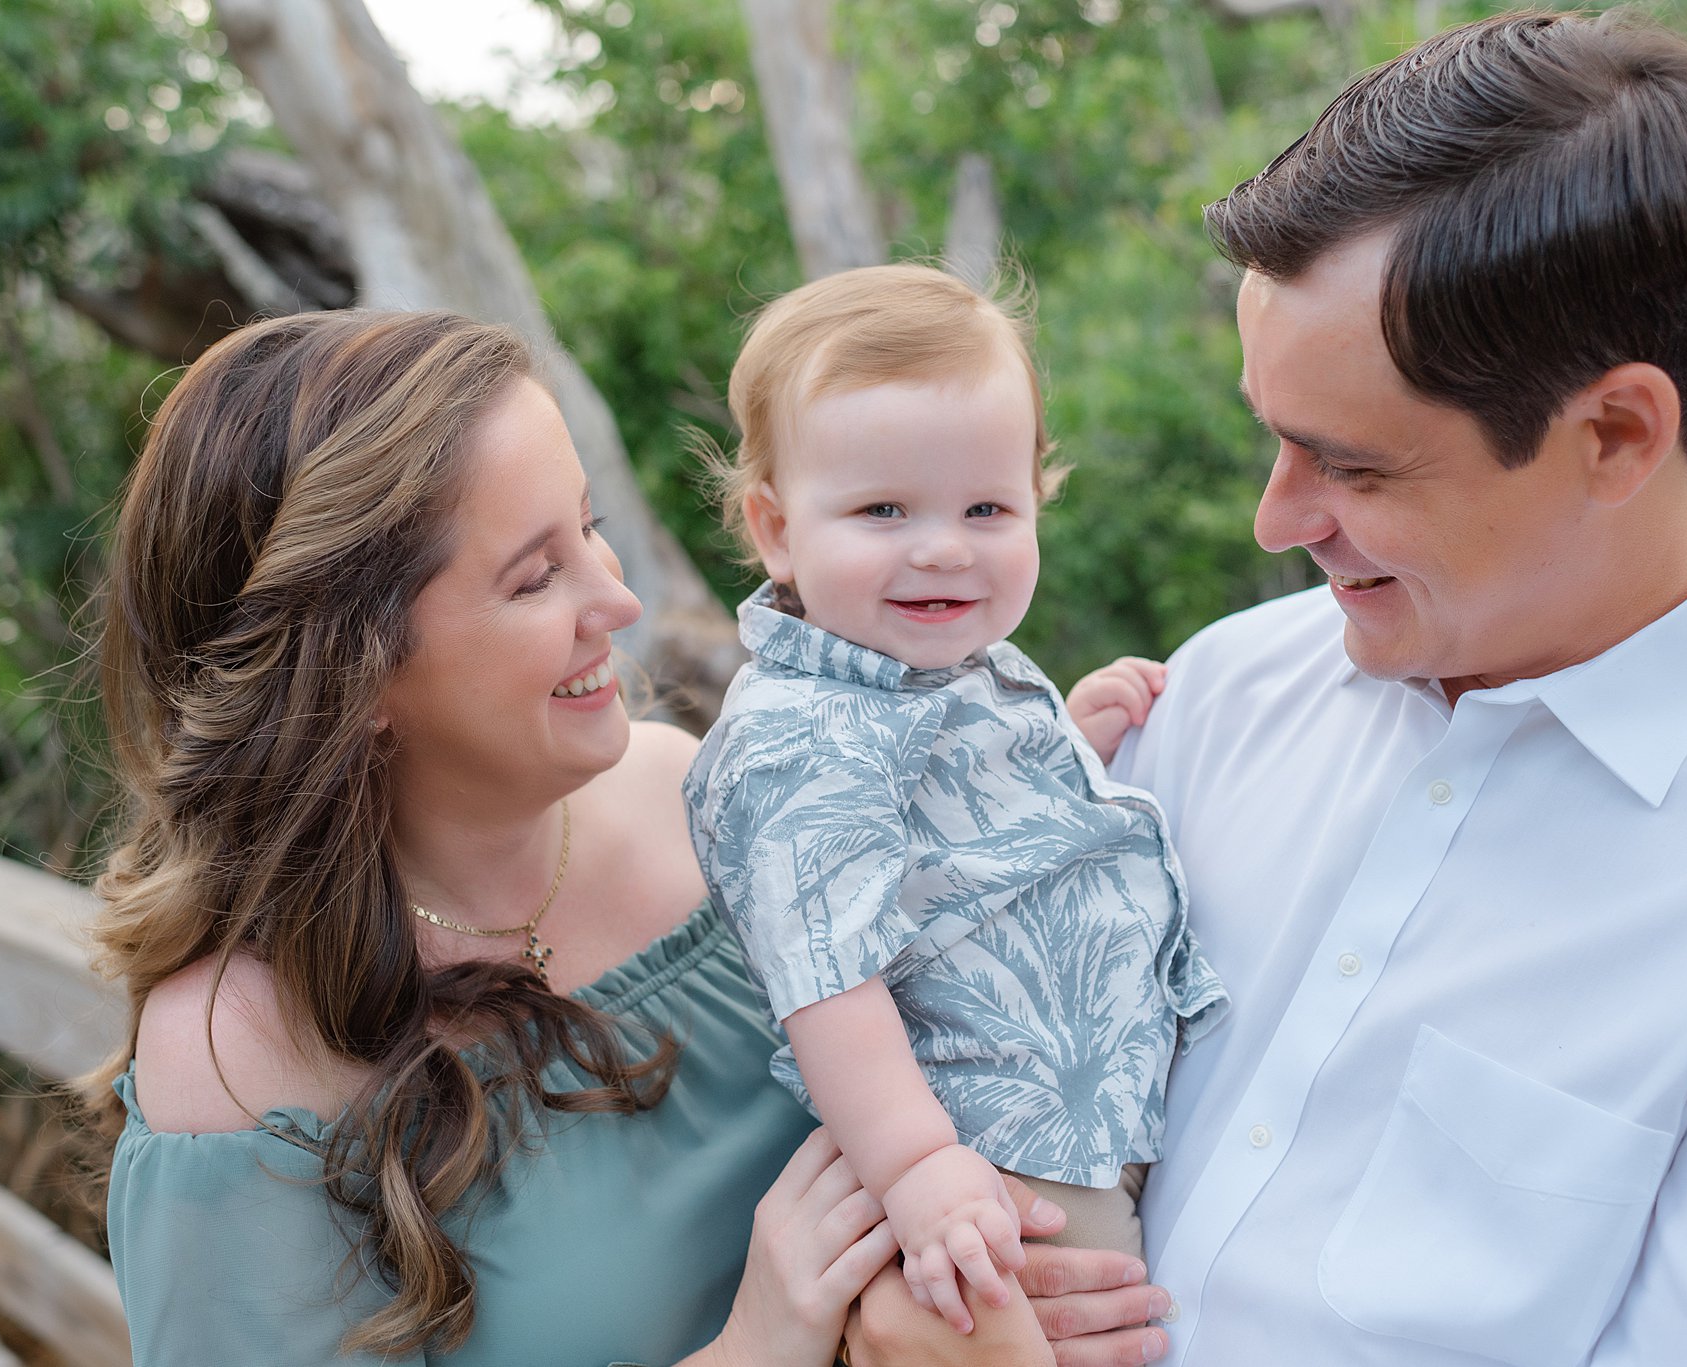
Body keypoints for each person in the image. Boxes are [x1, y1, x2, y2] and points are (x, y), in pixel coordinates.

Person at [83, 309, 1163, 1366]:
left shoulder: (689, 792)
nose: (621, 599)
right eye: (534, 574)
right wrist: (757, 1345)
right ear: (352, 672)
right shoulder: (230, 1056)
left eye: (589, 527)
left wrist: (1009, 1290)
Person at [1105, 11, 1687, 1365]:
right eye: (1274, 436)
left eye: (1352, 466)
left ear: (1614, 433)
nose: (1274, 519)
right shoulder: (1216, 700)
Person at [682, 265, 1226, 1332]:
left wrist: (1070, 735)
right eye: (881, 508)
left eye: (985, 506)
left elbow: (965, 840)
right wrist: (920, 1164)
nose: (941, 543)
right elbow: (826, 980)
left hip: (1092, 1105)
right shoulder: (794, 739)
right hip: (993, 1156)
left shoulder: (951, 663)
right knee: (1100, 1338)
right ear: (777, 528)